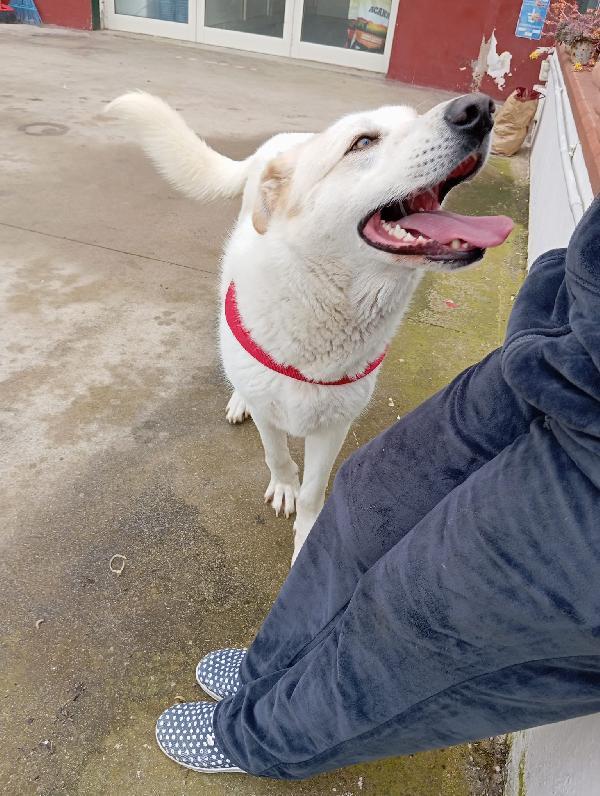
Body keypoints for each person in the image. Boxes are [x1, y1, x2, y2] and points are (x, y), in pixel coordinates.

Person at [155, 195, 600, 779]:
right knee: (371, 499)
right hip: (571, 337)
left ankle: (261, 739)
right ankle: (273, 669)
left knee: (416, 618)